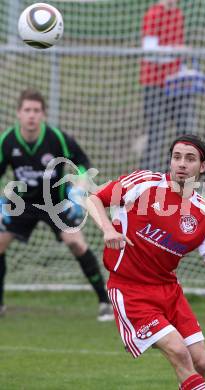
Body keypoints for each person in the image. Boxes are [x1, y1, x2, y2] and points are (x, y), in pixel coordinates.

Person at [86, 133, 205, 389]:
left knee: (201, 361)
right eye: (177, 157)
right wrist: (107, 229)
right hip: (130, 289)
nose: (181, 163)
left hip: (169, 291)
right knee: (179, 352)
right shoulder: (145, 184)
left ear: (202, 167)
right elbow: (94, 199)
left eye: (190, 159)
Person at [0, 89, 114, 322]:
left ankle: (105, 302)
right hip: (22, 202)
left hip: (56, 202)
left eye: (36, 110)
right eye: (27, 110)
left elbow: (82, 164)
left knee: (76, 243)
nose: (31, 115)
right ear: (19, 114)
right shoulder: (8, 140)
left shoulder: (57, 138)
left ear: (43, 114)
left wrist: (79, 190)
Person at [140, 0, 191, 172]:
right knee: (157, 133)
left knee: (186, 131)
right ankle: (147, 177)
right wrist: (175, 51)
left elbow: (179, 51)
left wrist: (184, 69)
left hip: (176, 84)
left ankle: (179, 175)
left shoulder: (178, 14)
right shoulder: (153, 14)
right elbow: (150, 52)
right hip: (155, 84)